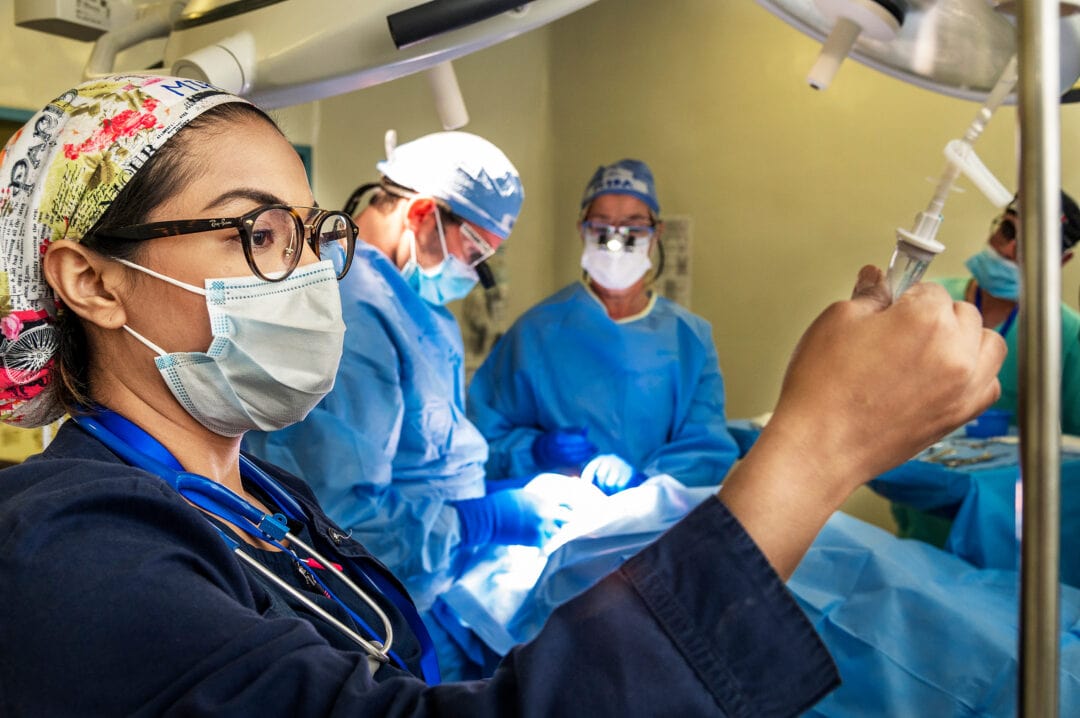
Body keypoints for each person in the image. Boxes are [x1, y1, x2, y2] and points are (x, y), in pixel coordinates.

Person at [0, 74, 1004, 717]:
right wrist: (816, 448)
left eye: (314, 235)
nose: (313, 278)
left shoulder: (255, 499)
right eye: (258, 233)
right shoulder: (69, 560)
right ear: (91, 279)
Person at [240, 130, 590, 678]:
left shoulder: (419, 309)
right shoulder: (353, 311)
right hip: (383, 614)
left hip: (438, 586)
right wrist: (484, 521)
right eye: (475, 250)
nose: (473, 271)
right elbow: (345, 522)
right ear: (424, 213)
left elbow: (424, 459)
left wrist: (505, 487)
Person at [468, 159, 740, 493]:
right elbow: (481, 438)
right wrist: (536, 450)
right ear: (582, 229)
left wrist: (645, 485)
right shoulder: (536, 332)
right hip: (565, 520)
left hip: (660, 523)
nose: (616, 241)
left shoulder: (690, 339)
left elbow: (706, 449)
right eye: (601, 226)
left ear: (657, 234)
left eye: (633, 226)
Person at [889, 191, 1080, 546]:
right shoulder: (929, 301)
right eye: (1008, 232)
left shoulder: (1066, 335)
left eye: (1031, 246)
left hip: (1008, 523)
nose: (1009, 251)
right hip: (919, 509)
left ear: (1062, 261)